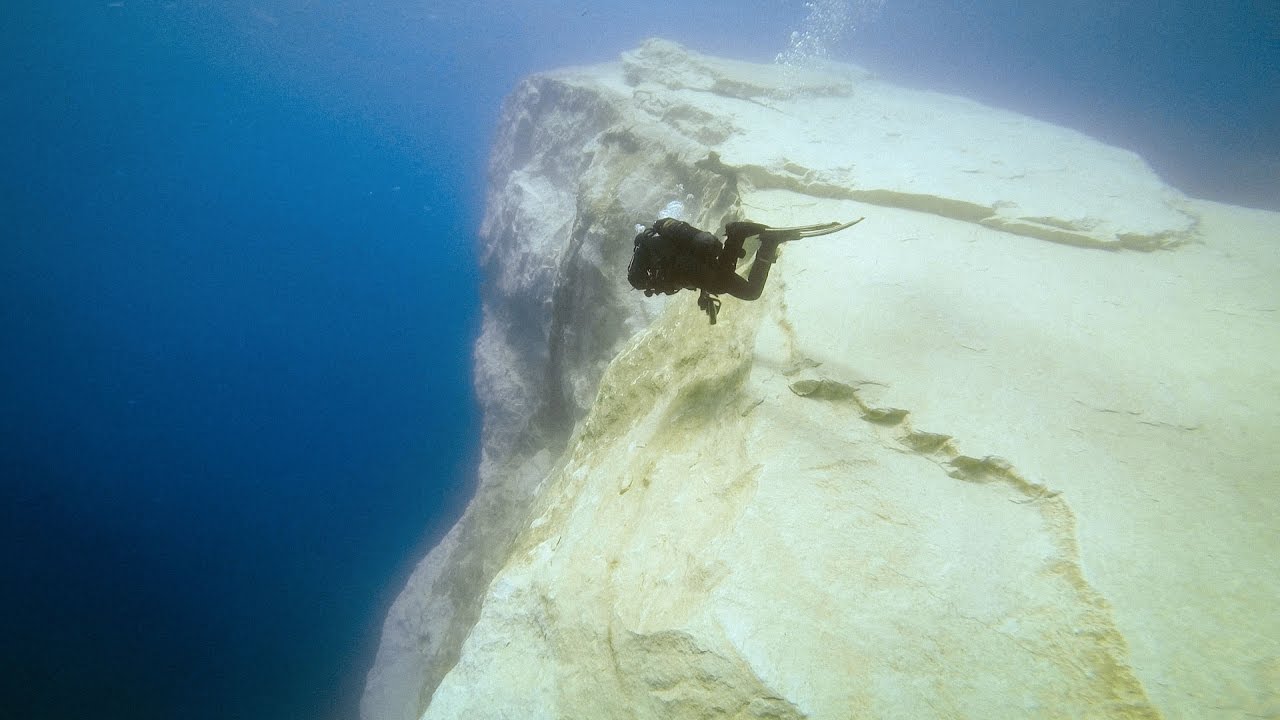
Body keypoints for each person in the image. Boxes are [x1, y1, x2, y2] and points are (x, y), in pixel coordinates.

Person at [627, 216, 863, 323]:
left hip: (689, 266)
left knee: (728, 286)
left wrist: (655, 284)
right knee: (743, 288)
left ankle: (740, 235)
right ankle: (757, 242)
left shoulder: (644, 265)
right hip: (700, 256)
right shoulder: (660, 245)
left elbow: (640, 279)